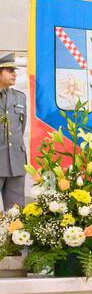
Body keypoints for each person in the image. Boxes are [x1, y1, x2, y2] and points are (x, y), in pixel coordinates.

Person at [0, 52, 27, 211]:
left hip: (15, 162)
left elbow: (20, 129)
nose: (14, 74)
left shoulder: (19, 97)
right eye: (10, 70)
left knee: (16, 213)